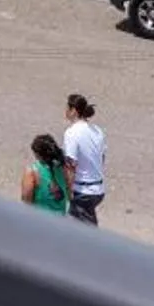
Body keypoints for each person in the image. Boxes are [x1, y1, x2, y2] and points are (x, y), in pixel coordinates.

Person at [60, 94, 107, 225]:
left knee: (82, 232)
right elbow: (102, 158)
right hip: (98, 188)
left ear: (73, 110)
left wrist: (68, 192)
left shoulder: (72, 133)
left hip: (82, 191)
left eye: (67, 108)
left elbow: (71, 165)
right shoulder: (97, 131)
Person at [20, 135, 70, 216]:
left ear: (37, 154)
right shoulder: (63, 169)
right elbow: (68, 194)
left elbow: (26, 201)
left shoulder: (32, 172)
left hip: (40, 221)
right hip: (60, 221)